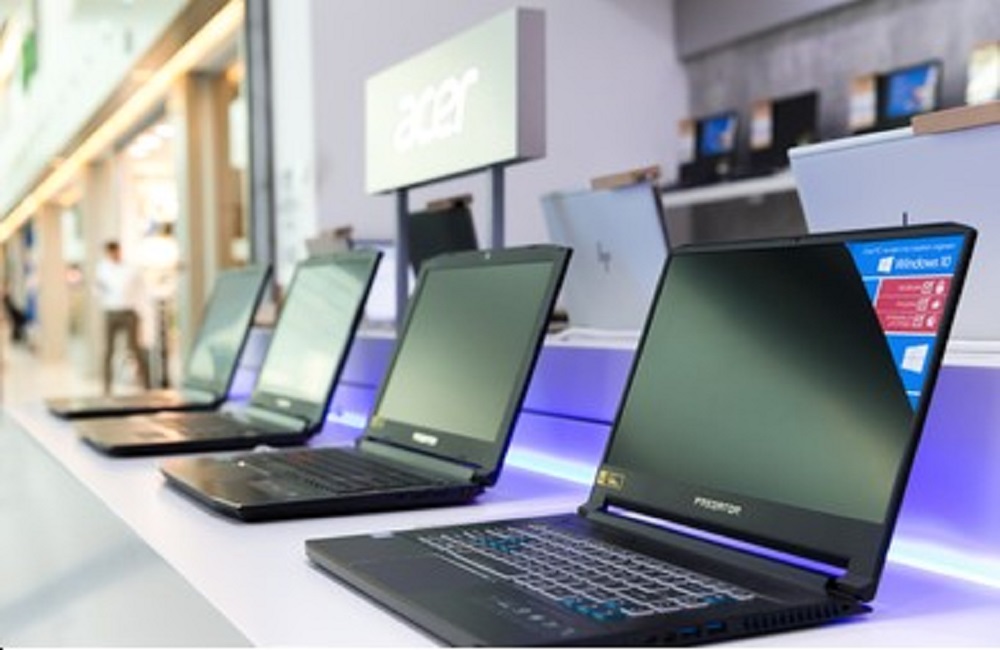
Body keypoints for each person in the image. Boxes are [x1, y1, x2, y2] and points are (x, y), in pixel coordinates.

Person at [95, 240, 151, 394]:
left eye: (115, 251)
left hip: (129, 312)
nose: (113, 255)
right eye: (110, 252)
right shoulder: (102, 269)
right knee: (108, 350)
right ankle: (106, 387)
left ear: (119, 251)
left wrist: (141, 310)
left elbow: (141, 290)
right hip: (111, 312)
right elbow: (98, 290)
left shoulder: (131, 269)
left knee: (135, 347)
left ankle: (146, 384)